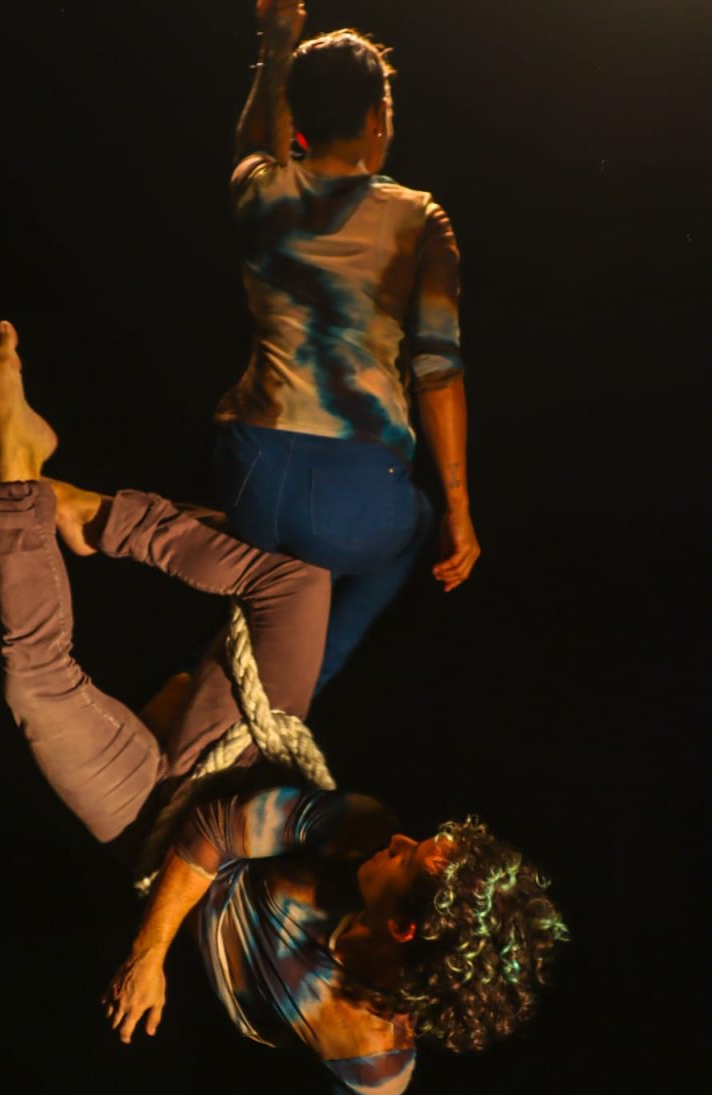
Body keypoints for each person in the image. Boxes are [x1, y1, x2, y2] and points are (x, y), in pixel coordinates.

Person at [0, 322, 566, 1095]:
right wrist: (148, 957)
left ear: (407, 929)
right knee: (295, 583)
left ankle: (18, 477)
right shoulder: (361, 830)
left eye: (415, 859)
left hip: (145, 821)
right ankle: (76, 508)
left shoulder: (373, 1059)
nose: (403, 837)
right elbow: (220, 823)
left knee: (33, 684)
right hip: (222, 773)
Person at [214, 1, 481, 691]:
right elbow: (436, 371)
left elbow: (253, 143)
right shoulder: (419, 219)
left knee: (267, 600)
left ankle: (208, 691)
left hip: (249, 468)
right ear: (376, 118)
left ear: (298, 117)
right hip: (351, 490)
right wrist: (459, 512)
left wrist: (276, 43)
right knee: (414, 525)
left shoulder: (258, 193)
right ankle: (291, 699)